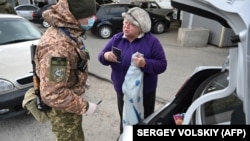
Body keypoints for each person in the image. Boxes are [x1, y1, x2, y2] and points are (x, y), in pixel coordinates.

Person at [34, 0, 97, 140]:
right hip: (63, 110)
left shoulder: (70, 31)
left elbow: (73, 61)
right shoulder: (57, 47)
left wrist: (81, 79)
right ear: (75, 16)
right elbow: (53, 93)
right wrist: (85, 106)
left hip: (69, 100)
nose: (94, 19)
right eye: (90, 15)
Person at [98, 7, 167, 134]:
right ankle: (125, 135)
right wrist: (106, 56)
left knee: (145, 121)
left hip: (145, 93)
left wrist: (145, 63)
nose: (126, 26)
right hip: (122, 91)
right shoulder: (116, 39)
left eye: (131, 24)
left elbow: (162, 65)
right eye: (125, 22)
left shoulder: (152, 42)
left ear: (141, 27)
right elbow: (101, 56)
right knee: (125, 118)